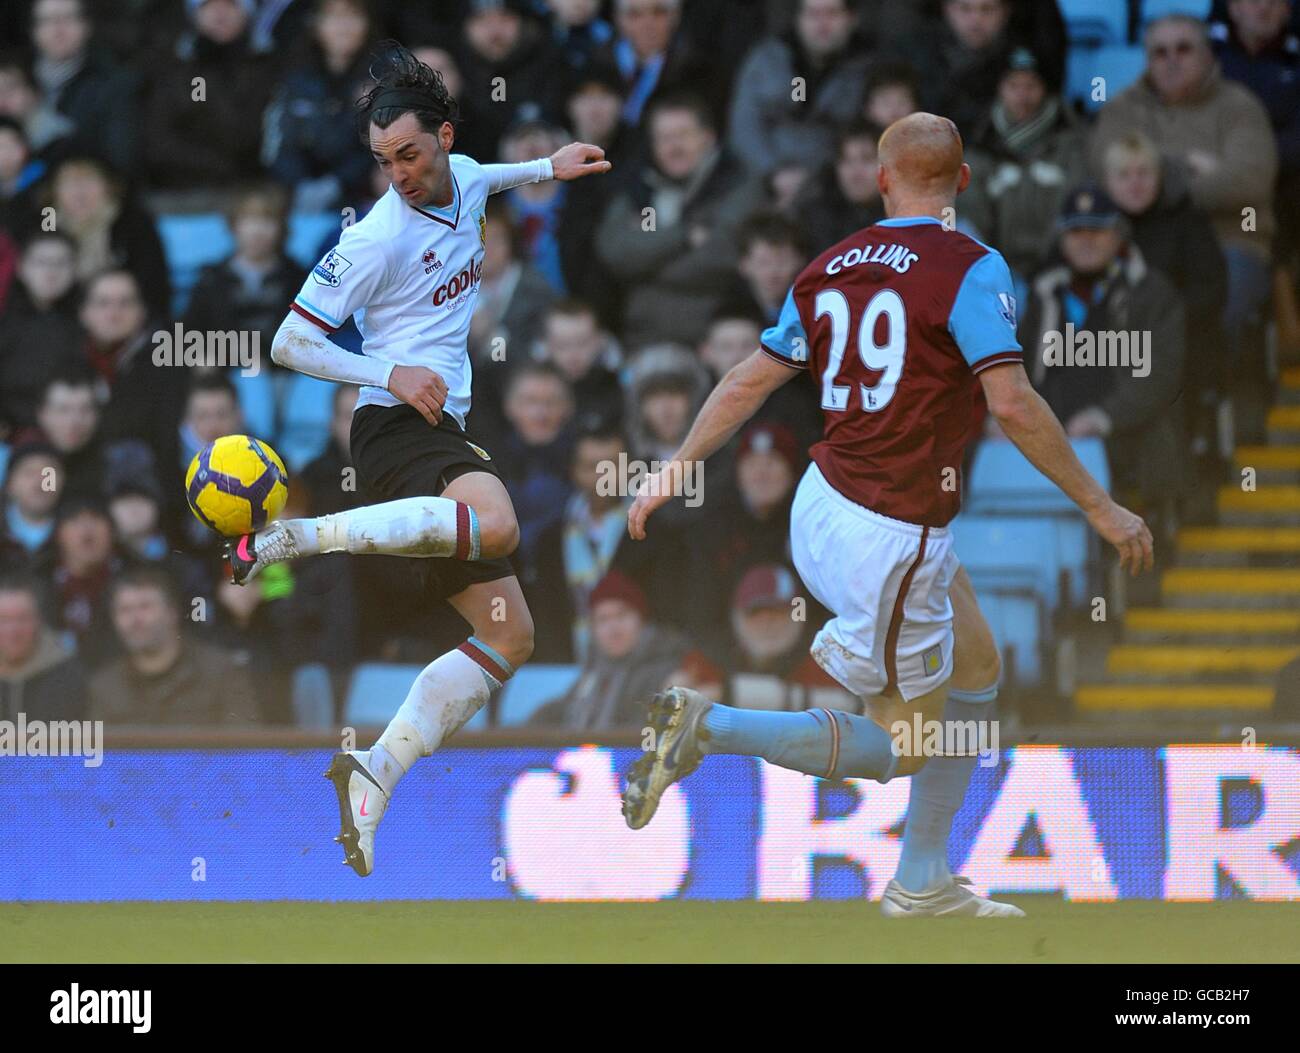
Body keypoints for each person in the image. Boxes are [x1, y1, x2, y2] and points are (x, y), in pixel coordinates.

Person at [621, 112, 1153, 919]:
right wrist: (1102, 506)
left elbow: (745, 381)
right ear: (964, 181)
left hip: (821, 498)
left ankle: (925, 874)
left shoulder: (829, 264)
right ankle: (710, 725)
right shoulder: (969, 265)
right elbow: (1011, 400)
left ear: (880, 179)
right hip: (893, 531)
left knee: (976, 664)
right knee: (907, 746)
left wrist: (669, 472)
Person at [225, 44, 610, 877]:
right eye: (381, 161)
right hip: (394, 423)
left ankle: (374, 773)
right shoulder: (372, 240)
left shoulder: (464, 174)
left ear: (441, 138)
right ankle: (298, 538)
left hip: (442, 424)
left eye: (408, 154)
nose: (397, 174)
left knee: (510, 636)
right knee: (500, 518)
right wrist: (385, 368)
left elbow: (486, 177)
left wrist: (551, 164)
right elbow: (289, 341)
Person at [89, 567, 259, 725]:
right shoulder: (105, 687)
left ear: (172, 613)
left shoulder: (222, 672)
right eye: (125, 610)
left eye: (145, 607)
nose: (135, 620)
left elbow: (247, 752)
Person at [0, 573, 87, 722]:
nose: (13, 631)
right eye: (3, 620)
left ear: (38, 621)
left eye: (22, 619)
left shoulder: (68, 677)